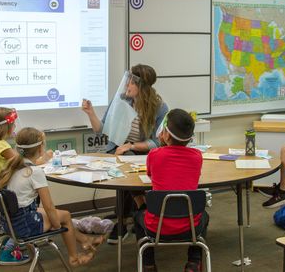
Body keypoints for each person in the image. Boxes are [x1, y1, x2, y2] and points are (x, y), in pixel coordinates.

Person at [0, 127, 104, 268]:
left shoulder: (12, 167)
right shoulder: (35, 172)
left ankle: (85, 240)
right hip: (23, 226)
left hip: (8, 223)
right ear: (40, 149)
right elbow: (49, 205)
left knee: (56, 215)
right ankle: (74, 259)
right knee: (65, 216)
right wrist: (56, 224)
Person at [82, 64, 169, 243]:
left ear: (141, 86)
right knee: (125, 162)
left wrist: (131, 145)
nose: (127, 84)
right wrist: (90, 113)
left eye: (131, 81)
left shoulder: (159, 107)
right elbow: (102, 130)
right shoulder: (121, 100)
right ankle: (139, 206)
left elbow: (157, 141)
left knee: (126, 161)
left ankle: (124, 220)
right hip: (120, 151)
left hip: (141, 152)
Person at [133, 109, 209, 272]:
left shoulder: (154, 155)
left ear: (165, 134)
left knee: (138, 216)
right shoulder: (197, 156)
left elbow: (151, 174)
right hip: (190, 227)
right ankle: (194, 262)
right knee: (204, 216)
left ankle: (148, 264)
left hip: (157, 226)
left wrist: (161, 145)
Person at [0, 107, 52, 265]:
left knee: (17, 211)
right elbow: (25, 162)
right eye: (13, 125)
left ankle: (17, 239)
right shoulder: (2, 147)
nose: (15, 128)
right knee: (26, 203)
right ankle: (10, 249)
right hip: (2, 191)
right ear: (6, 127)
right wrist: (44, 156)